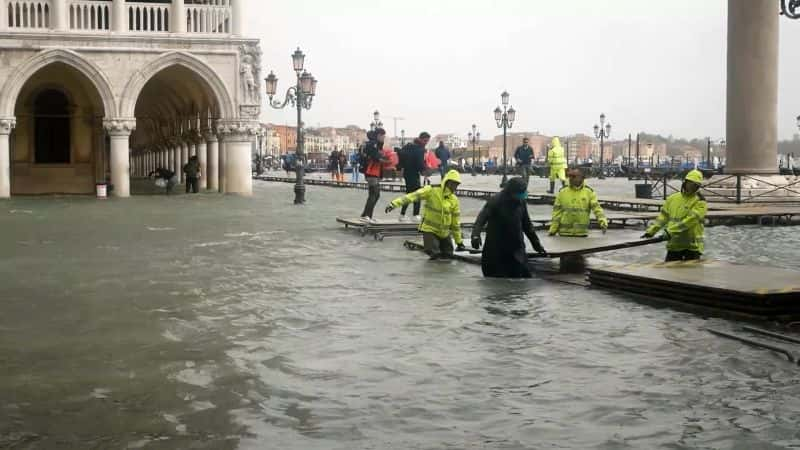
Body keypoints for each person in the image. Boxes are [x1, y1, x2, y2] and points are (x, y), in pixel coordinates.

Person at [471, 177, 547, 278]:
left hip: (516, 249)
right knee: (498, 282)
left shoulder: (521, 203)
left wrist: (536, 244)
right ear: (511, 192)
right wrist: (475, 235)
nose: (523, 195)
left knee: (524, 279)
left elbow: (527, 225)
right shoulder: (496, 201)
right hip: (496, 250)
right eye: (521, 193)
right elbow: (481, 219)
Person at [385, 169, 466, 259]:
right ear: (448, 182)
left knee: (449, 256)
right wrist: (394, 204)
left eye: (457, 185)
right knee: (434, 255)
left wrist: (459, 242)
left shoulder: (454, 200)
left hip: (444, 233)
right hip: (430, 230)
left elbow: (455, 223)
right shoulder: (432, 190)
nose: (456, 187)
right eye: (454, 184)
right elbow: (412, 196)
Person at [642, 169, 708, 261]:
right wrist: (651, 231)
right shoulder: (672, 198)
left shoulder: (700, 202)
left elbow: (690, 221)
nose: (693, 187)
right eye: (691, 184)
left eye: (696, 185)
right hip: (674, 244)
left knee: (691, 275)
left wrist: (669, 232)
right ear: (685, 182)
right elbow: (662, 218)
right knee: (669, 274)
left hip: (692, 247)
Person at [549, 168, 608, 237]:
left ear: (582, 178)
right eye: (570, 176)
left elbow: (597, 209)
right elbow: (556, 213)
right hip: (564, 233)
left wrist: (603, 222)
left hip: (582, 234)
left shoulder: (589, 192)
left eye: (574, 176)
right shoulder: (562, 192)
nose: (571, 178)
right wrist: (553, 230)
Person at [397, 132, 429, 222]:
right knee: (418, 194)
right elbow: (419, 163)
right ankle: (415, 215)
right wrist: (424, 170)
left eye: (427, 141)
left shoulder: (408, 146)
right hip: (414, 174)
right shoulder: (419, 149)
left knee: (409, 194)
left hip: (407, 173)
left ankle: (402, 215)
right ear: (421, 139)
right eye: (425, 141)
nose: (426, 143)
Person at [359, 128, 388, 223]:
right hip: (371, 172)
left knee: (375, 194)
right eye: (383, 136)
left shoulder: (377, 144)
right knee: (374, 194)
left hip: (375, 172)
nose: (384, 138)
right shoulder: (373, 144)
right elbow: (375, 157)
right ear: (378, 135)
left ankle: (367, 215)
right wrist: (387, 160)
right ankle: (366, 215)